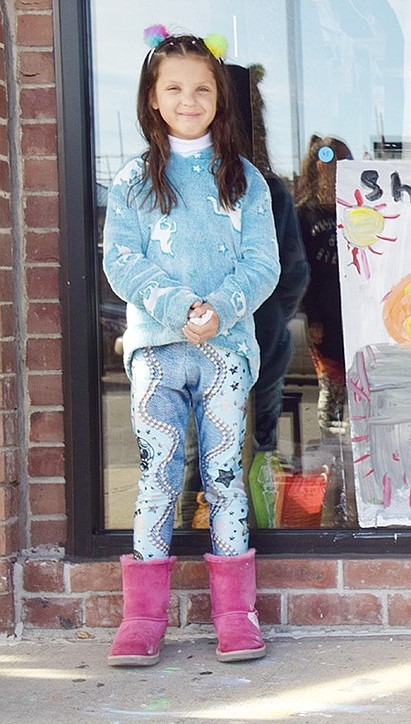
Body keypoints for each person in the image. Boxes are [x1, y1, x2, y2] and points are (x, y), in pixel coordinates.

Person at [101, 27, 279, 666]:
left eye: (202, 88)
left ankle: (236, 612)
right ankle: (143, 619)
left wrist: (221, 309)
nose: (188, 99)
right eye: (173, 87)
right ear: (153, 96)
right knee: (158, 477)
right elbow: (122, 261)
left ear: (219, 99)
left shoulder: (244, 181)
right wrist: (179, 308)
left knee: (224, 476)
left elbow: (263, 264)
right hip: (156, 352)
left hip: (224, 352)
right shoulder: (131, 182)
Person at [227, 63, 309, 529]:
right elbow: (294, 272)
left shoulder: (265, 188)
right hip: (254, 342)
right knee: (255, 455)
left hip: (246, 344)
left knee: (207, 464)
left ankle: (228, 556)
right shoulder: (268, 186)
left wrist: (263, 319)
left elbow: (293, 272)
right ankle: (254, 548)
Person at [294, 135, 354, 524]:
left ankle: (351, 493)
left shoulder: (357, 209)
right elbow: (298, 271)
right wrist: (308, 314)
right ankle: (333, 489)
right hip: (324, 326)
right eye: (325, 159)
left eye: (341, 161)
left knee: (358, 410)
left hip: (359, 323)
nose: (331, 168)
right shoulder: (304, 214)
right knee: (331, 408)